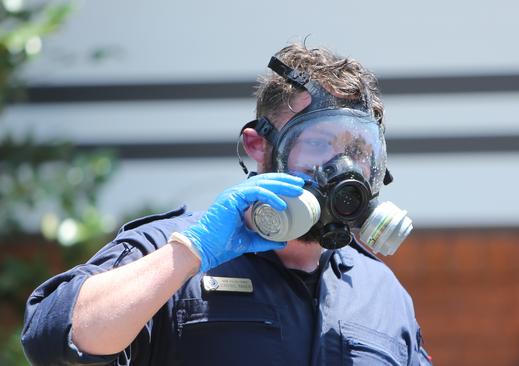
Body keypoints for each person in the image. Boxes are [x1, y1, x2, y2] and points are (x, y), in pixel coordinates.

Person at [21, 43, 431, 365]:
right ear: (258, 146)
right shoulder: (174, 250)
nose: (342, 168)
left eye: (358, 150)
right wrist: (191, 253)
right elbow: (53, 340)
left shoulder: (383, 292)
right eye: (319, 143)